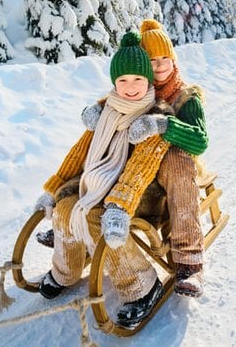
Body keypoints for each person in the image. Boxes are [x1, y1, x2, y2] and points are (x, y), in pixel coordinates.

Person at [32, 31, 168, 329]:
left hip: (140, 194)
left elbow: (142, 168)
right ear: (114, 83)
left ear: (148, 81)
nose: (130, 88)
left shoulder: (155, 116)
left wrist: (119, 205)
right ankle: (68, 269)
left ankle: (142, 286)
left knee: (96, 216)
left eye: (137, 80)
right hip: (100, 187)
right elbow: (78, 155)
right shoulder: (106, 112)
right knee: (67, 208)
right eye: (123, 81)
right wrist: (54, 189)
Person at [100, 18, 209, 298]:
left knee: (177, 162)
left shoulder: (186, 97)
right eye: (152, 59)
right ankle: (75, 223)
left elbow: (200, 140)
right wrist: (97, 112)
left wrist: (164, 125)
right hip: (139, 171)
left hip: (176, 172)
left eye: (165, 58)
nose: (160, 65)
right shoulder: (140, 89)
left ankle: (189, 262)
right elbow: (115, 100)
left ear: (173, 59)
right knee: (104, 148)